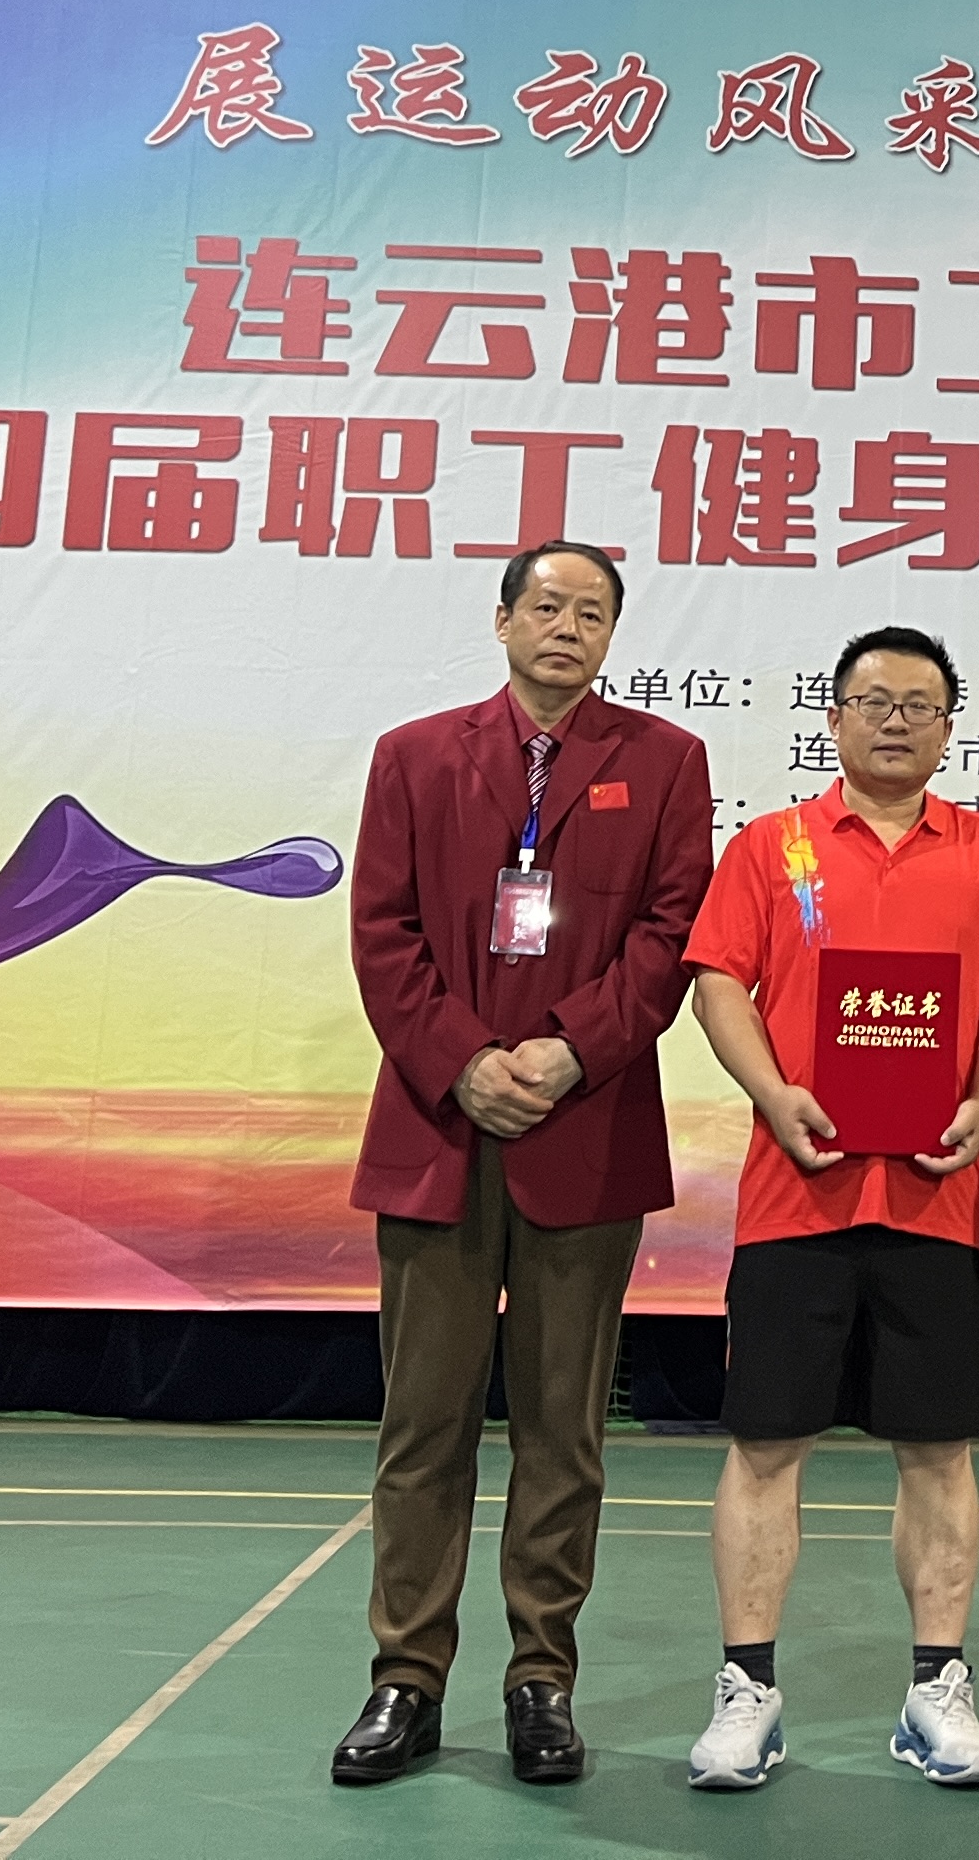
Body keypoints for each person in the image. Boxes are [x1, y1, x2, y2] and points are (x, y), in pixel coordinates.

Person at [332, 542, 715, 1791]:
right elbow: (382, 933)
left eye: (592, 612)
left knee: (563, 1430)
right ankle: (406, 1676)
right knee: (422, 1425)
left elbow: (670, 934)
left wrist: (566, 1052)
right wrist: (463, 1063)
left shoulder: (666, 761)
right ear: (502, 620)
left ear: (612, 636)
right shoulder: (414, 756)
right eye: (547, 605)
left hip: (583, 1127)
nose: (568, 627)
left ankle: (541, 1678)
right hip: (438, 1132)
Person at [675, 626, 979, 1792]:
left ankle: (938, 1689)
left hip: (934, 1197)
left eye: (918, 704)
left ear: (949, 727)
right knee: (765, 1443)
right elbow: (718, 982)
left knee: (938, 1448)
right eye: (872, 700)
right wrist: (771, 1093)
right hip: (797, 1196)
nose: (895, 719)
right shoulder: (772, 845)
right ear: (833, 719)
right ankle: (747, 1691)